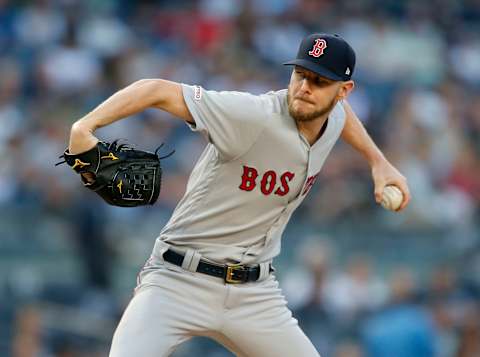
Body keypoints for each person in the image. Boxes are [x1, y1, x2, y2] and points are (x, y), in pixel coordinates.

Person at [67, 33, 410, 357]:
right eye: (300, 75)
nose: (305, 88)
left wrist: (377, 162)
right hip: (178, 280)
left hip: (255, 295)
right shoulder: (252, 115)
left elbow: (340, 115)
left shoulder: (333, 114)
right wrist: (84, 127)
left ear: (343, 90)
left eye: (319, 81)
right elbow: (155, 89)